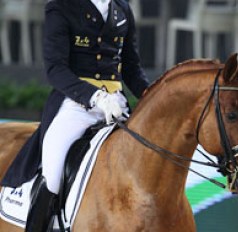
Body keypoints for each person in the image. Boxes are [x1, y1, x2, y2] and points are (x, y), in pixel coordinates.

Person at [1, 0, 150, 231]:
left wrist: (151, 95)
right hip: (75, 104)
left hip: (116, 106)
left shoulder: (122, 8)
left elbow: (131, 67)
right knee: (52, 171)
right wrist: (95, 97)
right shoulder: (61, 7)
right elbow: (55, 69)